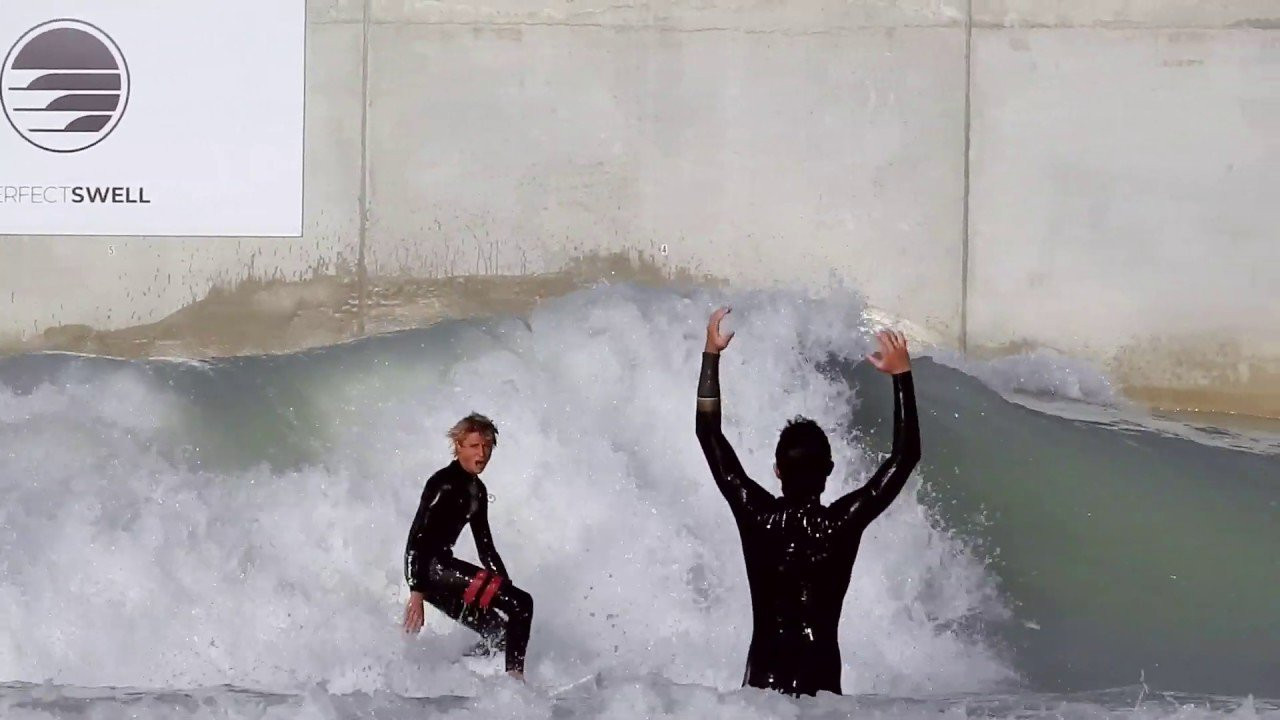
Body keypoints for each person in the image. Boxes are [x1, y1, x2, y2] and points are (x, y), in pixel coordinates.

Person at [694, 307, 921, 696]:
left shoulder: (757, 514)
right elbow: (904, 457)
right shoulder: (842, 524)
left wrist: (711, 355)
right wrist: (901, 376)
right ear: (830, 469)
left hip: (763, 687)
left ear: (777, 470)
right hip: (820, 688)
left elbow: (708, 433)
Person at [402, 413, 534, 679]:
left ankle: (455, 673)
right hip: (432, 570)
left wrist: (503, 586)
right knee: (522, 604)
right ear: (459, 446)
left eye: (487, 447)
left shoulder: (477, 491)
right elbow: (417, 537)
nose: (482, 453)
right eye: (475, 446)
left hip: (440, 575)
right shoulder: (443, 483)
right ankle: (515, 683)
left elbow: (485, 547)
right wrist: (417, 592)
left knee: (500, 632)